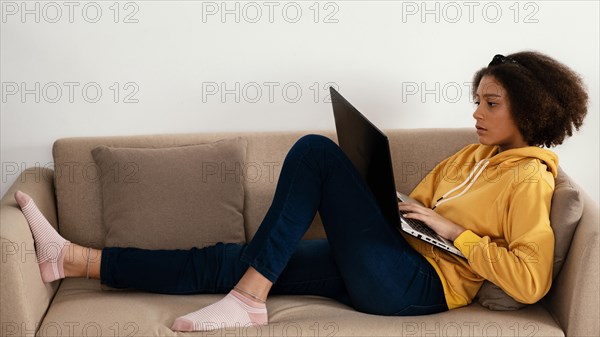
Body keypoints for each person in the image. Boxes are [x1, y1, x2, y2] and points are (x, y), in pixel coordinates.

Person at [14, 51, 588, 332]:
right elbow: (419, 203)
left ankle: (247, 301)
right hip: (393, 256)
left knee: (316, 150)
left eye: (492, 103)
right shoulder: (473, 154)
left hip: (418, 286)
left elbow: (531, 278)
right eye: (478, 99)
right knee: (235, 261)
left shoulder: (530, 178)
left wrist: (452, 229)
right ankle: (74, 260)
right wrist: (400, 206)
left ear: (530, 110)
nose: (478, 112)